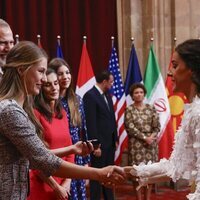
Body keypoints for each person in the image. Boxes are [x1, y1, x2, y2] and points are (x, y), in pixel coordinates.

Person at [0, 40, 125, 199]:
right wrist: (99, 173)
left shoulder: (14, 109)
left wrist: (71, 149)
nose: (44, 79)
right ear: (21, 69)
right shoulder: (10, 111)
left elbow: (33, 155)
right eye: (41, 71)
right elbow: (43, 160)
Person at [126, 39, 200, 200]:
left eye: (175, 65)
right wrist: (131, 171)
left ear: (192, 70)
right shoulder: (192, 111)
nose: (169, 72)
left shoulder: (198, 114)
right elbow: (175, 166)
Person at [28, 68, 74, 200]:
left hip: (63, 183)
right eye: (48, 85)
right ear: (41, 88)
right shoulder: (35, 114)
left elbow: (70, 151)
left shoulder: (63, 113)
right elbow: (35, 157)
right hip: (43, 183)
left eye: (56, 83)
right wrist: (55, 186)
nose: (54, 88)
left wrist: (67, 182)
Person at [49, 58, 90, 200]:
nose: (65, 77)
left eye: (67, 72)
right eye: (60, 74)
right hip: (59, 152)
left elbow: (83, 130)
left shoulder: (77, 99)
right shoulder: (50, 101)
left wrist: (86, 161)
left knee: (78, 194)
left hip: (77, 154)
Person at [83, 70, 118, 200]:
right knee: (97, 175)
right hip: (100, 146)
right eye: (111, 82)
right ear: (104, 82)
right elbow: (91, 123)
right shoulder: (90, 96)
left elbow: (111, 118)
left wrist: (116, 138)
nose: (112, 84)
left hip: (110, 143)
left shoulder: (107, 95)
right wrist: (95, 146)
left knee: (109, 174)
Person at [124, 83, 160, 200]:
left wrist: (151, 137)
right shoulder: (129, 109)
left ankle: (148, 198)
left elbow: (157, 126)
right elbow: (130, 127)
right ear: (132, 95)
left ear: (144, 94)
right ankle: (139, 198)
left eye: (141, 92)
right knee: (138, 174)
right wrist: (145, 138)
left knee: (149, 174)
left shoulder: (151, 108)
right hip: (136, 146)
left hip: (151, 146)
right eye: (136, 93)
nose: (139, 94)